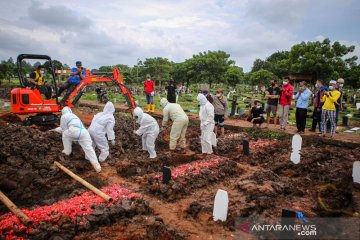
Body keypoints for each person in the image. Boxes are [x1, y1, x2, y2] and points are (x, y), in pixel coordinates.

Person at [52, 107, 101, 172]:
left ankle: (67, 151)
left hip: (74, 131)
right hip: (84, 132)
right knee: (89, 148)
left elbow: (63, 129)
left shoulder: (64, 116)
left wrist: (55, 130)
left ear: (63, 112)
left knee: (65, 134)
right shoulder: (74, 116)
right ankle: (97, 166)